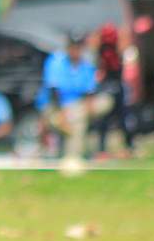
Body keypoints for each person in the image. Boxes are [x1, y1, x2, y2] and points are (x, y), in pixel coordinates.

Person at [36, 31, 112, 160]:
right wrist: (63, 113)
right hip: (55, 107)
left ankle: (72, 155)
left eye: (78, 47)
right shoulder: (56, 61)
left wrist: (89, 107)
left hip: (77, 108)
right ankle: (73, 156)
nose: (75, 50)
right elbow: (54, 91)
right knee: (77, 123)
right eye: (73, 46)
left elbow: (89, 91)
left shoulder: (87, 65)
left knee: (105, 101)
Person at [92, 22, 135, 157]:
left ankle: (128, 147)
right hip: (106, 86)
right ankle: (102, 149)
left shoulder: (119, 49)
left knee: (123, 117)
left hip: (117, 84)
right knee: (104, 119)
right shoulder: (100, 51)